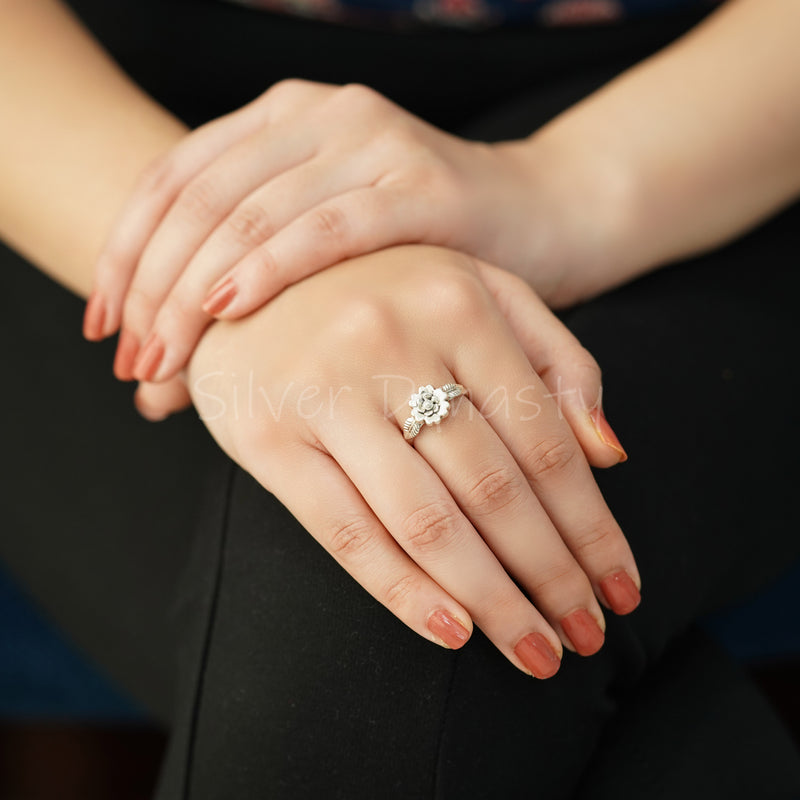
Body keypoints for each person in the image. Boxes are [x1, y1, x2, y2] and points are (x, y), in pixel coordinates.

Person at [1, 0, 799, 797]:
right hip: (84, 129)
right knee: (393, 603)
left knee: (415, 601)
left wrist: (565, 185)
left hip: (707, 124)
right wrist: (219, 264)